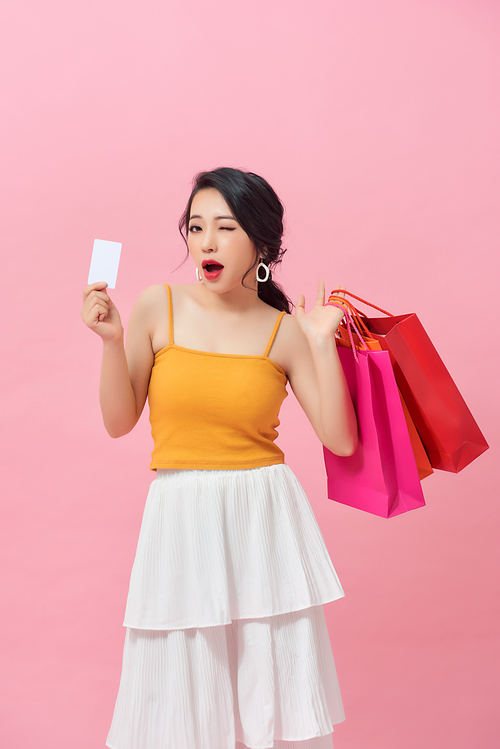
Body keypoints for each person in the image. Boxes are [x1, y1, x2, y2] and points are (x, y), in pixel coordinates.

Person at [81, 167, 358, 749]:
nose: (205, 242)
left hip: (263, 516)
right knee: (183, 685)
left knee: (269, 676)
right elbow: (118, 422)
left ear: (260, 243)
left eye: (225, 228)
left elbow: (340, 439)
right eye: (196, 227)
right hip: (181, 513)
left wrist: (321, 343)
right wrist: (111, 341)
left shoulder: (283, 331)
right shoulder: (159, 307)